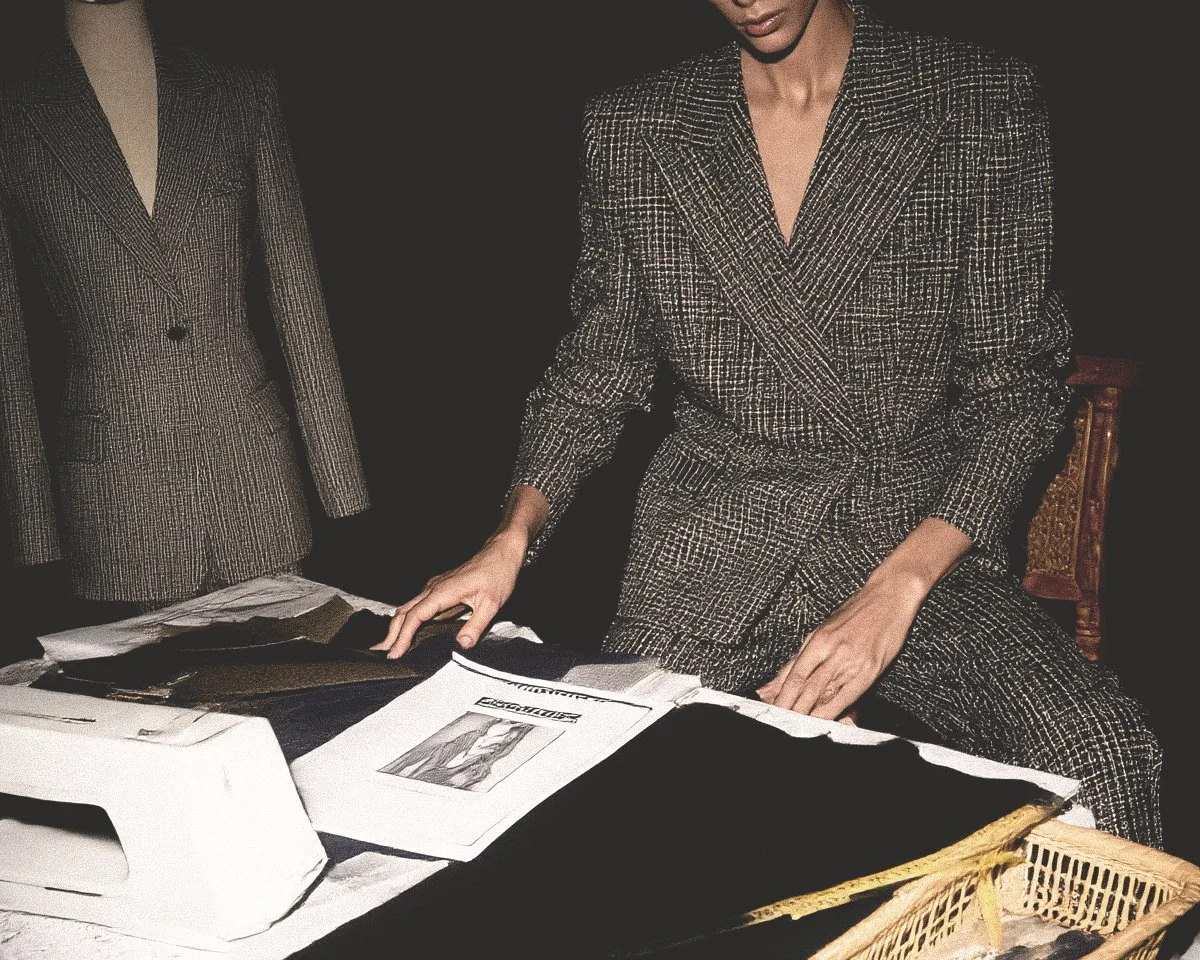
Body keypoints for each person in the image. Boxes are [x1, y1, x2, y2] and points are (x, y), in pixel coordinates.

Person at [375, 0, 1162, 845]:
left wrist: (894, 593)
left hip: (916, 537)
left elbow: (1017, 391)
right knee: (601, 795)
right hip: (717, 537)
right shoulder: (635, 128)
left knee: (1104, 750)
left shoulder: (977, 99)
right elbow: (596, 371)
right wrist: (511, 538)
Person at [0, 0, 369, 609]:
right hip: (116, 491)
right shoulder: (15, 117)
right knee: (154, 700)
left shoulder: (240, 94)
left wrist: (338, 476)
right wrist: (33, 523)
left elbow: (298, 296)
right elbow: (6, 347)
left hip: (254, 473)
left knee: (287, 683)